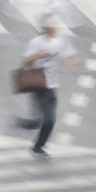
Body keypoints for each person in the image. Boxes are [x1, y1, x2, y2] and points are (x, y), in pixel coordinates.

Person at [20, 15, 83, 158]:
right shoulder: (36, 42)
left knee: (50, 120)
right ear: (45, 27)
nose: (56, 26)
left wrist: (75, 68)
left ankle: (38, 147)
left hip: (51, 86)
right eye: (53, 24)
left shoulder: (57, 43)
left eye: (56, 23)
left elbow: (64, 59)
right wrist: (37, 56)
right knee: (42, 120)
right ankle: (26, 126)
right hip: (38, 85)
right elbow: (25, 61)